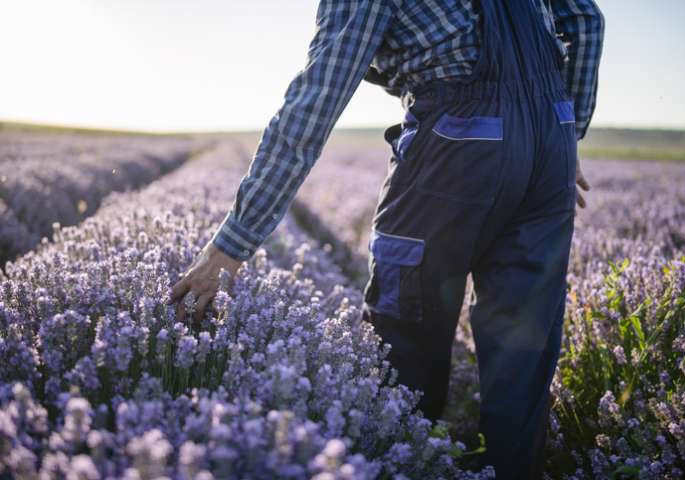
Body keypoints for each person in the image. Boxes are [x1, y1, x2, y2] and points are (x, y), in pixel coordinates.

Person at [170, 0, 604, 477]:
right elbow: (585, 20)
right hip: (551, 146)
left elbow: (316, 100)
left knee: (404, 332)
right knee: (524, 344)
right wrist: (566, 131)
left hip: (458, 143)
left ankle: (401, 460)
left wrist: (231, 243)